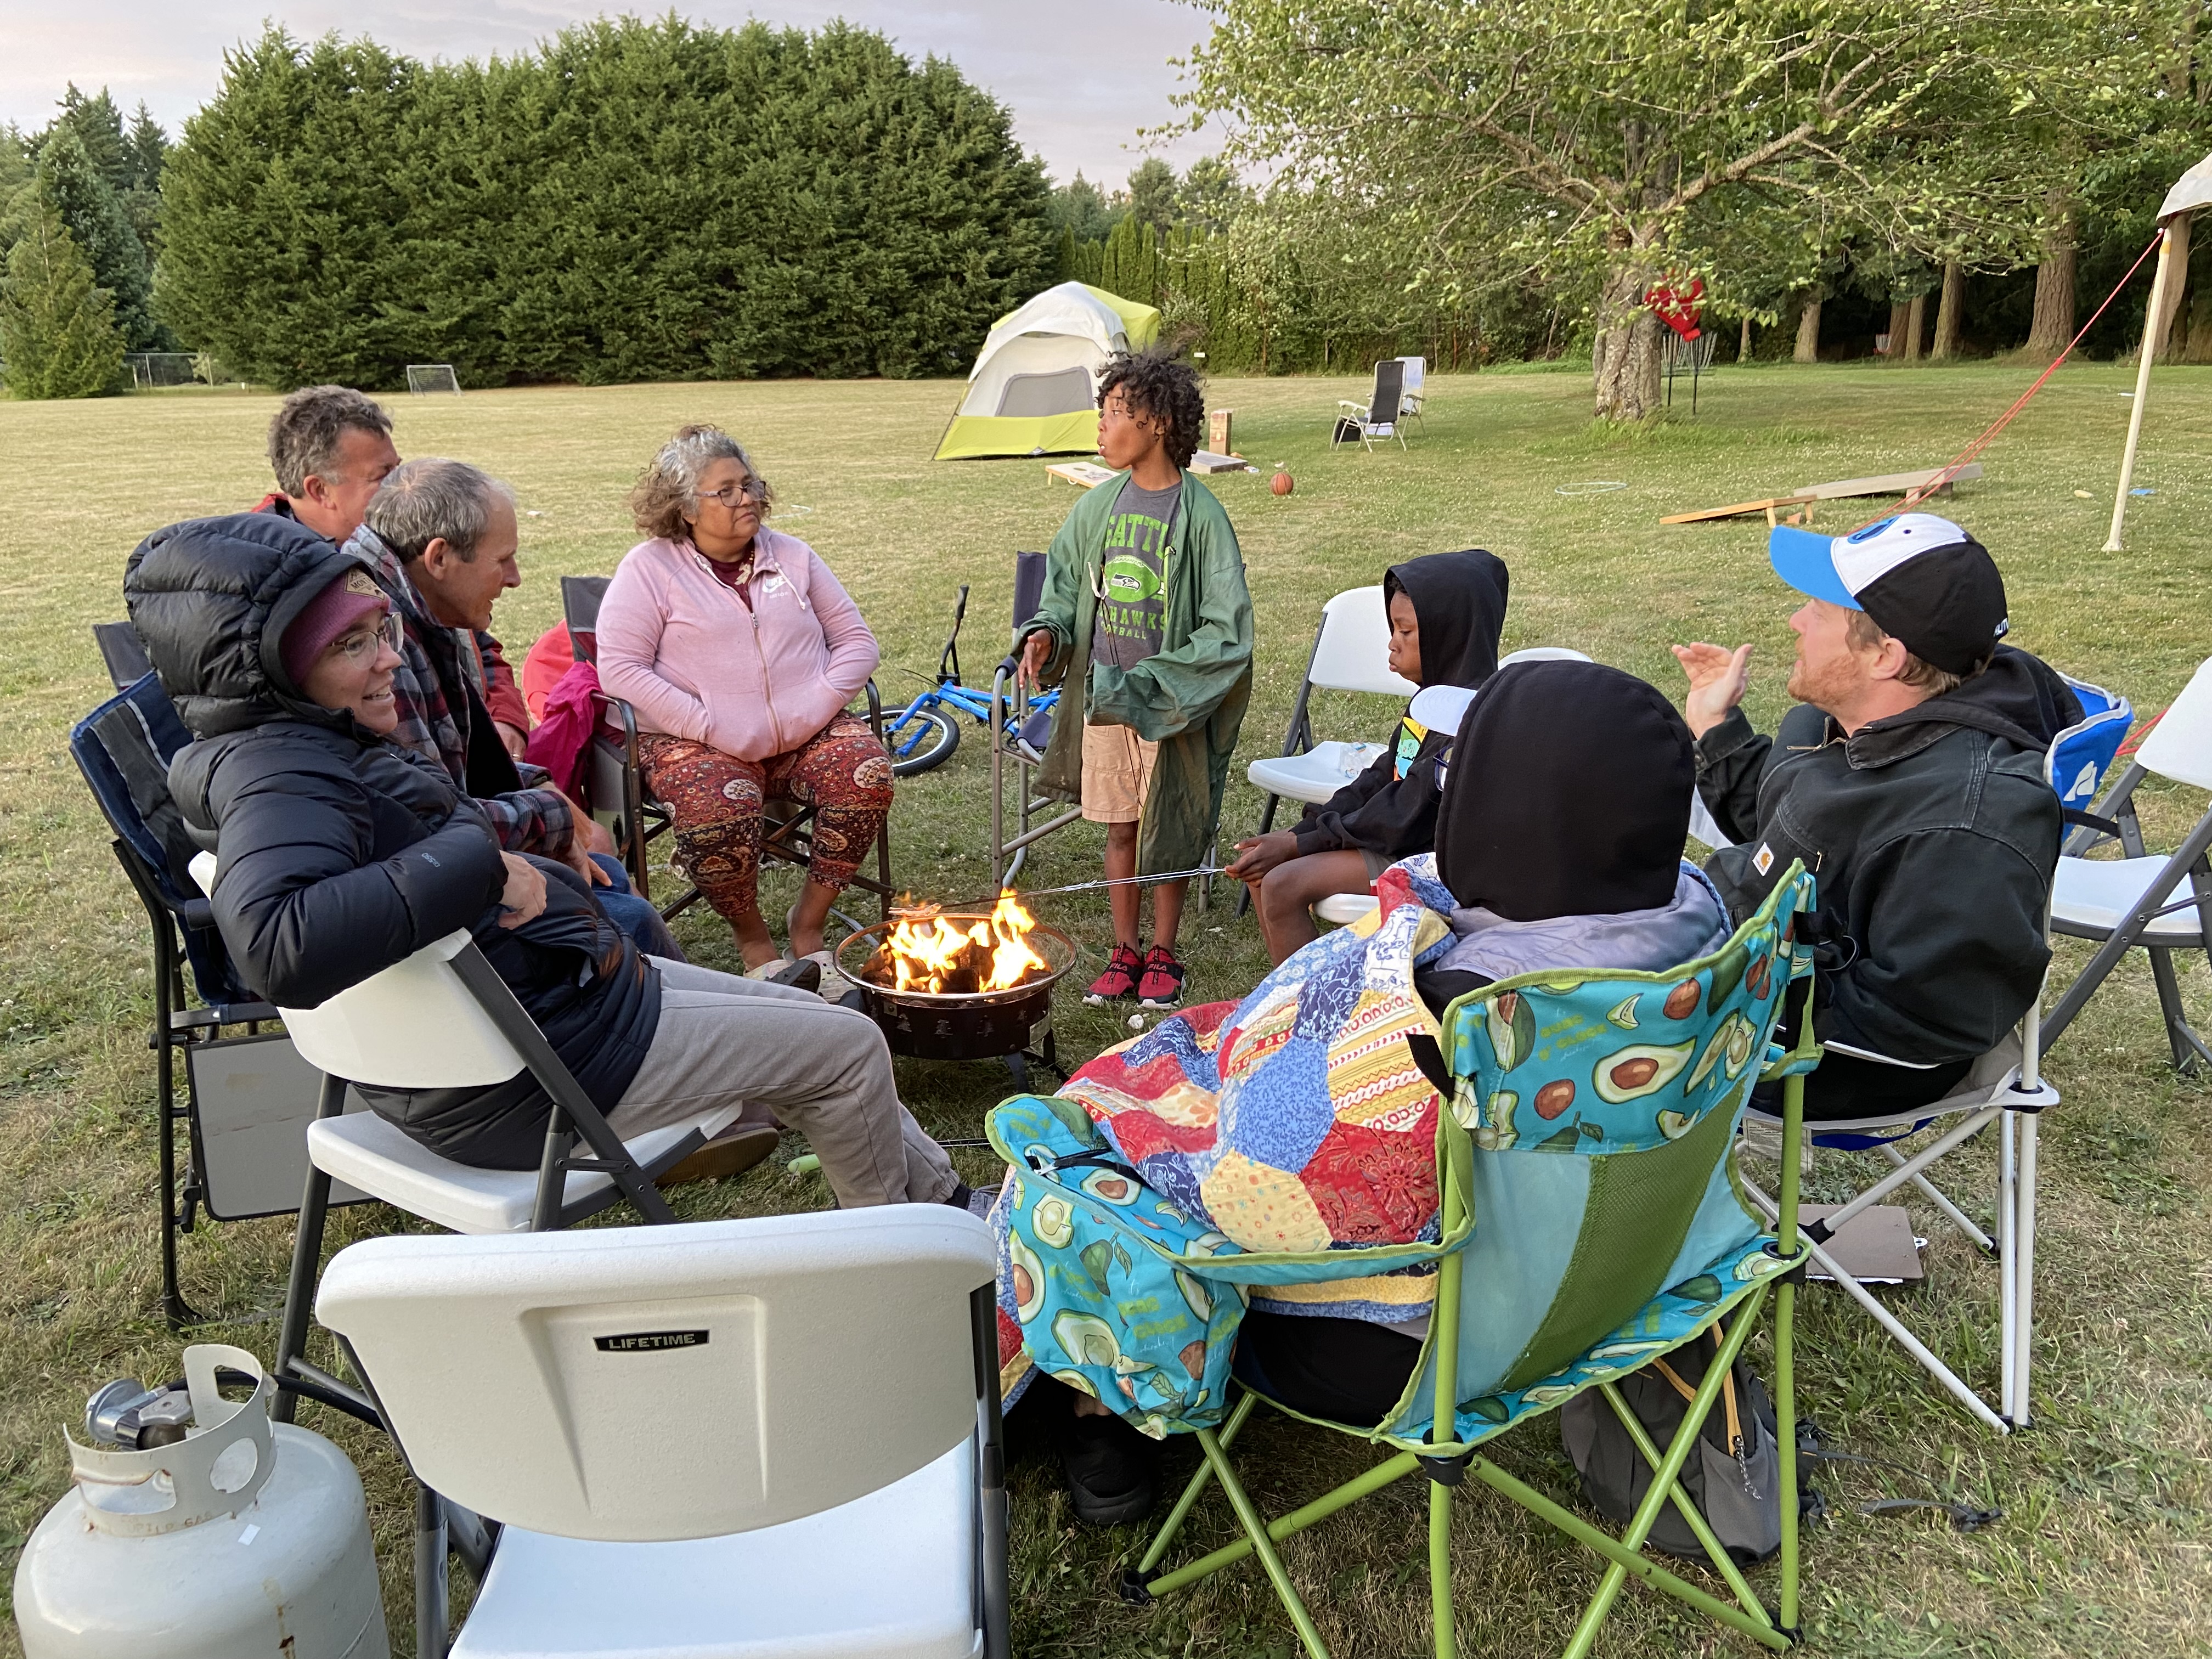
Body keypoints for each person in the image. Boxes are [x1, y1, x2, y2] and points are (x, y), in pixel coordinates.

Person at [1004, 662, 1733, 1518]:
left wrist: (1199, 1102)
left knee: (1084, 1142)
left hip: (1425, 1348)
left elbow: (1260, 1183)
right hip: (1620, 1288)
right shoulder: (1701, 938)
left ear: (1501, 812)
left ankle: (1104, 1410)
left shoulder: (1460, 1016)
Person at [126, 511, 968, 1207]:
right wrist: (482, 862)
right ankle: (904, 1264)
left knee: (822, 1027)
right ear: (275, 667)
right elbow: (279, 944)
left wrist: (488, 854)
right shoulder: (281, 778)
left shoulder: (303, 747)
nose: (388, 657)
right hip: (534, 1073)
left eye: (380, 630)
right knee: (844, 1051)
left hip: (553, 1008)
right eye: (351, 645)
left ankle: (949, 1206)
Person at [1674, 512, 2073, 1120]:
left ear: (1886, 656)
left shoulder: (1964, 823)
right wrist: (1715, 727)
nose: (1796, 621)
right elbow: (1792, 831)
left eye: (1818, 611)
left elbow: (1923, 1022)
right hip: (1744, 965)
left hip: (1807, 1061)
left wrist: (1715, 991)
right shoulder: (1858, 727)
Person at [344, 459, 679, 966]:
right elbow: (426, 822)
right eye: (503, 560)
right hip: (424, 910)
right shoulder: (383, 638)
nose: (516, 579)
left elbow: (445, 776)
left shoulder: (403, 603)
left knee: (607, 874)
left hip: (432, 872)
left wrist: (537, 787)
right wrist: (549, 814)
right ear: (439, 557)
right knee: (626, 917)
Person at [596, 426, 893, 990]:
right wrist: (711, 725)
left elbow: (858, 644)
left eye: (749, 485)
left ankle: (809, 925)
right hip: (694, 739)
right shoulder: (649, 570)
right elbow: (621, 669)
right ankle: (754, 940)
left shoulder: (794, 557)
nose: (747, 499)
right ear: (685, 507)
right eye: (726, 491)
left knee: (866, 774)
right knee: (715, 806)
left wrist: (810, 710)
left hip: (805, 731)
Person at [1015, 349, 1254, 1009]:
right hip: (1105, 702)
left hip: (1167, 707)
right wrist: (1047, 633)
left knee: (1166, 825)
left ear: (1157, 422)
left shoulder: (1202, 517)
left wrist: (1156, 682)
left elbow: (1228, 629)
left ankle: (1164, 952)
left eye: (1116, 412)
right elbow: (1063, 591)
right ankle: (1125, 950)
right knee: (1120, 826)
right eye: (1103, 411)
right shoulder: (1096, 509)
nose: (1102, 425)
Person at [1226, 550, 1509, 963]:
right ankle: (1286, 996)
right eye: (1393, 628)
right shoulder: (1431, 702)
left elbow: (1403, 814)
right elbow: (1384, 775)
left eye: (1405, 631)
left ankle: (1313, 1001)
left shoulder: (1465, 719)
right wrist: (1300, 832)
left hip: (1427, 859)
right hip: (1393, 839)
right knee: (1263, 869)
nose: (1392, 643)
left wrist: (1303, 844)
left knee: (1284, 884)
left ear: (1449, 637)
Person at [255, 385, 531, 759]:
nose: (402, 487)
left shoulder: (404, 559)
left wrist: (503, 718)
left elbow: (475, 640)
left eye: (399, 468)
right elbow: (409, 780)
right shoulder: (278, 589)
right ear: (320, 490)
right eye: (383, 476)